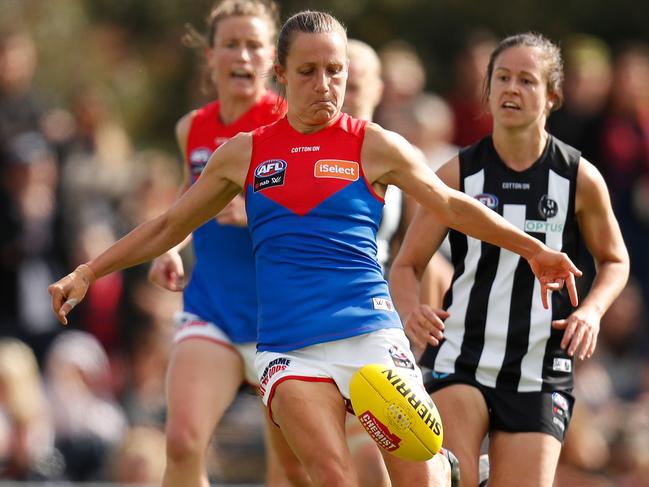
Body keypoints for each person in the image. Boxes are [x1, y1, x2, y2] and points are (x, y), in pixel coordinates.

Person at [49, 13, 582, 487]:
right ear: (279, 76)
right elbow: (168, 223)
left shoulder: (372, 143)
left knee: (418, 475)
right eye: (308, 72)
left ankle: (446, 468)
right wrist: (89, 271)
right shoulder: (246, 153)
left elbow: (451, 205)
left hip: (370, 334)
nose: (325, 85)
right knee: (329, 475)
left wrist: (531, 248)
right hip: (289, 346)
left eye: (336, 71)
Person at [390, 32, 629, 487]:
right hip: (462, 354)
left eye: (526, 80)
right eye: (502, 78)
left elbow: (615, 260)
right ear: (487, 89)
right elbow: (407, 264)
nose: (511, 89)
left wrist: (592, 313)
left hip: (540, 366)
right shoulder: (457, 173)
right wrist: (411, 309)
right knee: (444, 482)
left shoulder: (579, 177)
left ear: (552, 96)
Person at [135, 1, 306, 486]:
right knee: (182, 441)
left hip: (284, 322)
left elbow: (319, 217)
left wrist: (257, 214)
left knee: (292, 470)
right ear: (210, 57)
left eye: (254, 45)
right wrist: (167, 247)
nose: (243, 56)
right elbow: (185, 206)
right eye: (231, 44)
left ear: (273, 59)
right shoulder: (192, 127)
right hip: (212, 310)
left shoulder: (293, 124)